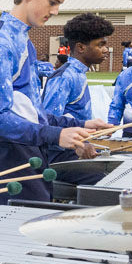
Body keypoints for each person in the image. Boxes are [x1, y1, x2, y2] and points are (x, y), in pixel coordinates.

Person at [0, 0, 110, 206]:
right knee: (21, 235)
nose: (55, 11)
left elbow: (32, 113)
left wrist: (80, 125)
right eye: (52, 2)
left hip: (30, 149)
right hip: (9, 155)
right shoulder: (0, 43)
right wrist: (56, 135)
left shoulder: (23, 41)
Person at [42, 13, 113, 177]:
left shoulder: (78, 73)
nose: (105, 50)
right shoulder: (65, 77)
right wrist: (79, 145)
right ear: (81, 47)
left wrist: (90, 132)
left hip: (71, 150)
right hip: (58, 156)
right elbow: (47, 122)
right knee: (109, 180)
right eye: (100, 45)